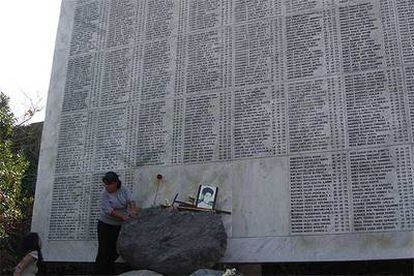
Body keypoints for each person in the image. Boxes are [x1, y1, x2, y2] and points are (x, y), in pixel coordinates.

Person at [95, 171, 138, 275]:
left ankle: (109, 271)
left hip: (118, 226)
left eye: (109, 184)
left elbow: (131, 200)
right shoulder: (104, 194)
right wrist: (123, 216)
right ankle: (99, 272)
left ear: (115, 183)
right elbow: (109, 211)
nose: (107, 186)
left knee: (114, 251)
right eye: (105, 184)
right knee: (104, 251)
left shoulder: (124, 189)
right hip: (105, 225)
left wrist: (132, 210)